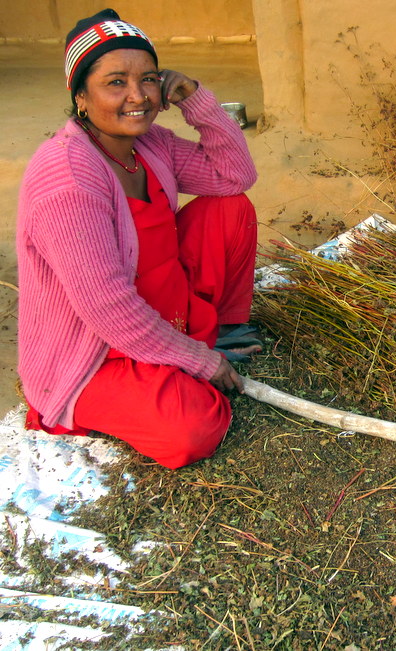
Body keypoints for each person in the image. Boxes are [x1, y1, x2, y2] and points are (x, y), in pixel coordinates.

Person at [16, 8, 262, 469]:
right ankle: (186, 360)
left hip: (161, 309)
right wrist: (200, 362)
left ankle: (218, 332)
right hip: (95, 351)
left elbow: (235, 177)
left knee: (230, 209)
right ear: (81, 98)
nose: (138, 96)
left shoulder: (150, 145)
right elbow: (106, 307)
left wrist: (195, 99)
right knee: (191, 429)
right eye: (115, 82)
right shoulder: (67, 178)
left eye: (148, 79)